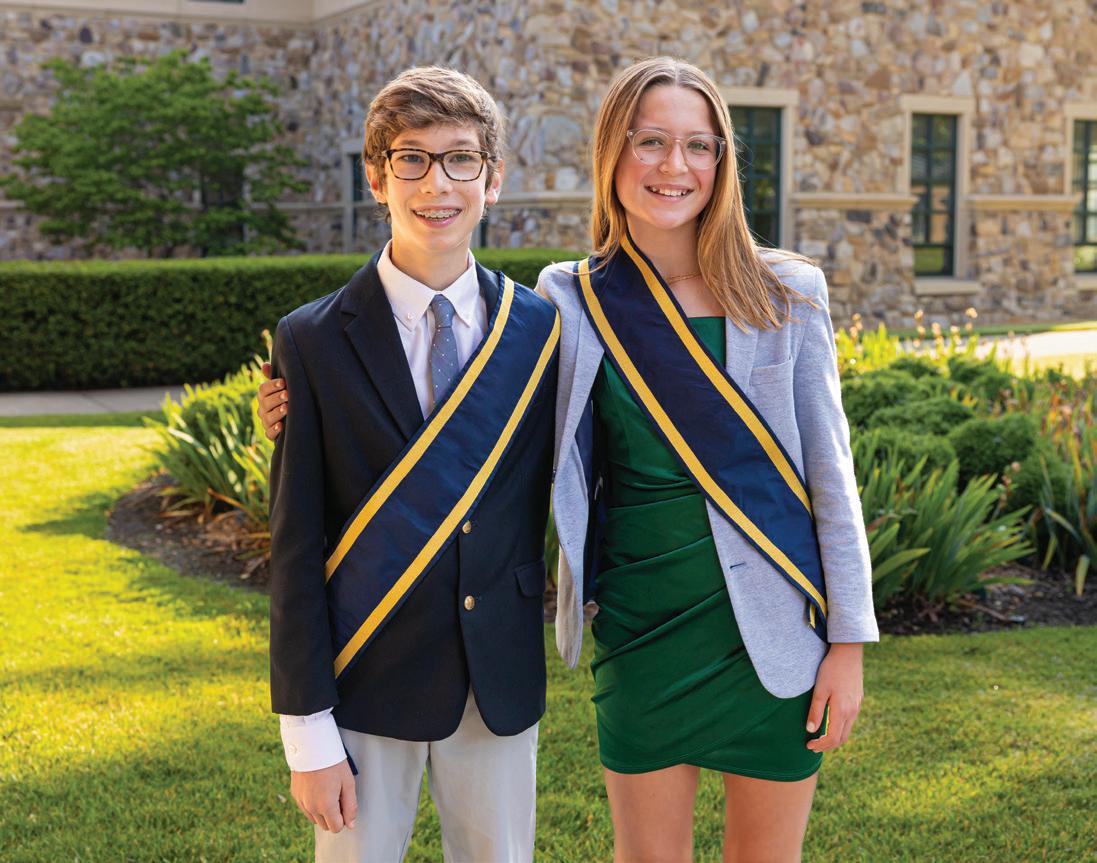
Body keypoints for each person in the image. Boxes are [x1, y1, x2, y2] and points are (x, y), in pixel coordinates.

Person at [262, 57, 879, 863]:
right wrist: (292, 411)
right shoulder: (571, 300)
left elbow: (831, 476)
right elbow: (462, 422)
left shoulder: (788, 291)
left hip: (777, 633)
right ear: (611, 154)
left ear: (721, 161)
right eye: (648, 141)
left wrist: (847, 643)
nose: (673, 165)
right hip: (642, 626)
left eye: (697, 145)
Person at [264, 65, 558, 863]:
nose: (437, 183)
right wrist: (306, 733)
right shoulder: (311, 340)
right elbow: (294, 547)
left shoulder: (538, 330)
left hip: (495, 675)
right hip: (365, 673)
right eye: (411, 159)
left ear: (493, 178)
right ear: (376, 178)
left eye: (461, 158)